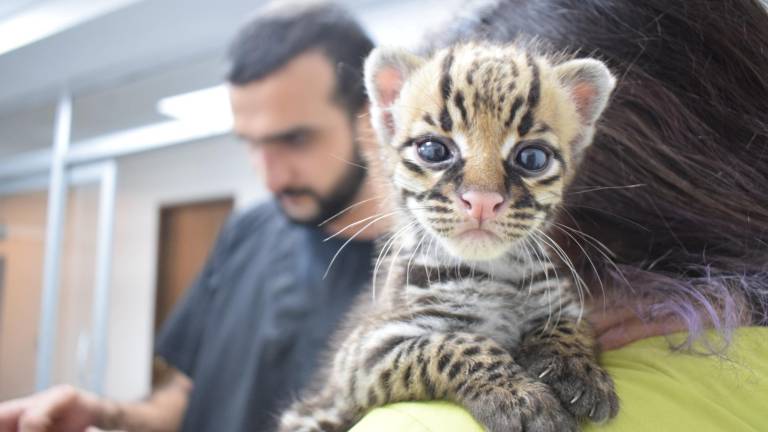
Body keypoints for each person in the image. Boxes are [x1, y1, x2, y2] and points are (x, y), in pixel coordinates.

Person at [0, 3, 383, 431]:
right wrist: (106, 416)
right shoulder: (247, 231)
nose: (270, 177)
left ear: (373, 117)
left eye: (294, 140)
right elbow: (185, 396)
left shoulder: (439, 272)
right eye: (251, 145)